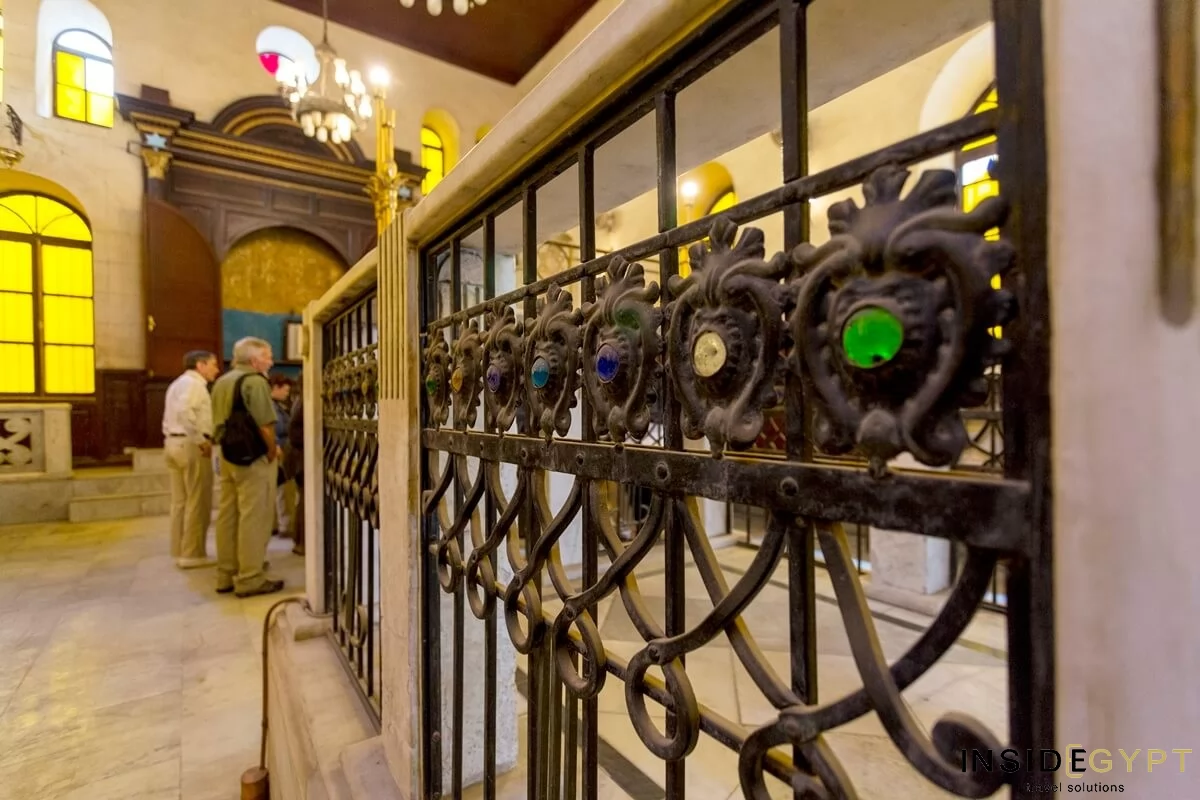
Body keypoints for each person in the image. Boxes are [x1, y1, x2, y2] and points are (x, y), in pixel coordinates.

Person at [211, 337, 284, 597]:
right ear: (254, 360)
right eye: (267, 356)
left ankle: (226, 573)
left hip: (226, 453)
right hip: (251, 457)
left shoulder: (222, 381)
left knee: (228, 515)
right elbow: (266, 424)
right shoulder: (254, 381)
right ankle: (251, 576)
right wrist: (272, 450)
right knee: (254, 516)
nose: (271, 361)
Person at [161, 350, 220, 568]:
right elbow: (186, 412)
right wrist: (199, 439)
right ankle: (193, 554)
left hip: (173, 442)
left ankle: (179, 550)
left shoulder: (177, 383)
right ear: (200, 364)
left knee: (180, 502)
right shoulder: (194, 384)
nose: (216, 369)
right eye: (213, 364)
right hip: (190, 444)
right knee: (198, 500)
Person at [269, 375, 295, 538]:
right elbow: (276, 428)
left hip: (280, 447)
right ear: (275, 388)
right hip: (280, 449)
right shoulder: (273, 407)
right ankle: (285, 524)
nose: (287, 393)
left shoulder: (278, 405)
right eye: (285, 390)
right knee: (284, 490)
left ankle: (276, 524)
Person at [287, 388, 305, 556]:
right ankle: (302, 542)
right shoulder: (304, 400)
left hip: (301, 456)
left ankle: (301, 541)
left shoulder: (301, 399)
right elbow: (295, 433)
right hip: (303, 457)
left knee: (303, 500)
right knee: (305, 501)